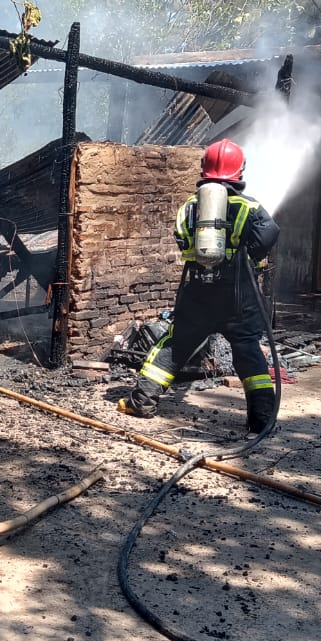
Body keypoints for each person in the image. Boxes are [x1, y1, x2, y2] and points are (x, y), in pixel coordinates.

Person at [118, 138, 281, 433]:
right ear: (239, 171)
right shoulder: (250, 206)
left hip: (198, 292)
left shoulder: (189, 208)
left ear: (203, 169)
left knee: (175, 346)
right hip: (239, 295)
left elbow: (181, 239)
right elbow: (268, 236)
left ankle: (142, 401)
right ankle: (261, 419)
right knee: (248, 352)